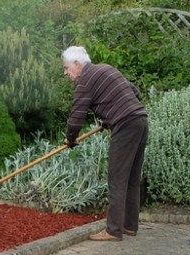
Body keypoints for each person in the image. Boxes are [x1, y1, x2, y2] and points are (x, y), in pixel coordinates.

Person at [62, 46, 149, 242]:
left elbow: (76, 117)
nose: (66, 72)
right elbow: (133, 91)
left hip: (125, 126)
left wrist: (70, 139)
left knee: (117, 179)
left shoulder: (85, 82)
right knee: (132, 178)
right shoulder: (106, 69)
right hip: (140, 121)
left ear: (77, 64)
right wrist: (110, 118)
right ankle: (129, 226)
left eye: (67, 67)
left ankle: (113, 230)